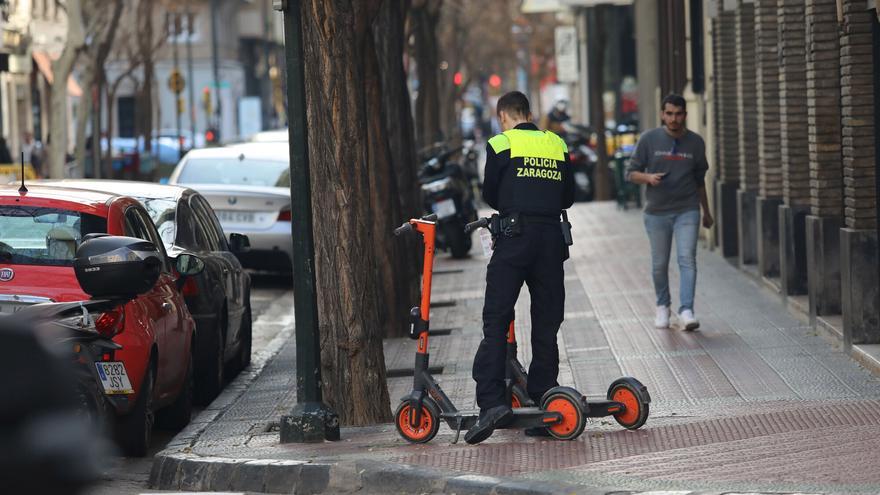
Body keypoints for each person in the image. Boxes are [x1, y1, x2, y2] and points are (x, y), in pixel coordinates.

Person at [466, 91, 575, 444]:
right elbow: (568, 196)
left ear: (503, 116)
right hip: (549, 239)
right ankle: (546, 401)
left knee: (496, 320)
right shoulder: (556, 143)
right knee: (546, 321)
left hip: (514, 237)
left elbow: (491, 194)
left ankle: (493, 403)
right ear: (529, 113)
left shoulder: (500, 144)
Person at [625, 94, 713, 331]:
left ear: (685, 114)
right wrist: (648, 178)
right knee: (659, 263)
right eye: (669, 113)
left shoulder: (695, 143)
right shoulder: (649, 140)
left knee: (687, 259)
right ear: (663, 114)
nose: (674, 119)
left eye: (679, 114)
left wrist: (706, 211)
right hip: (657, 212)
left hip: (688, 209)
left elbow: (699, 180)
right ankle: (663, 306)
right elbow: (630, 173)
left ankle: (686, 310)